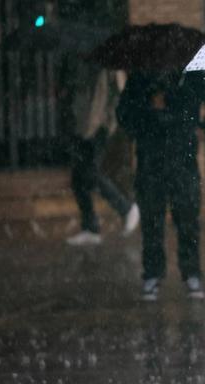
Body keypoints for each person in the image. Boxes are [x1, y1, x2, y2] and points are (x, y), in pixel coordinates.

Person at [116, 69, 205, 301]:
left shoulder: (192, 78)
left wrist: (202, 127)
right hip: (151, 161)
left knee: (187, 219)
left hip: (183, 160)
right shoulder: (142, 80)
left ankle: (191, 274)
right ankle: (153, 274)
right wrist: (146, 115)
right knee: (152, 221)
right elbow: (124, 113)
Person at [64, 63, 140, 246]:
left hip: (98, 127)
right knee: (78, 178)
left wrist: (108, 120)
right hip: (83, 125)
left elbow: (121, 93)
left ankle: (126, 208)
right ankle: (91, 227)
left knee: (90, 172)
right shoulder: (84, 63)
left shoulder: (109, 64)